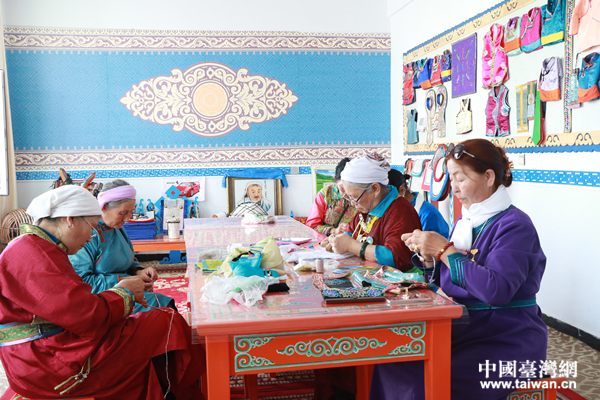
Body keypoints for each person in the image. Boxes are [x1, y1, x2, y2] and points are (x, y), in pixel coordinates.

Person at [370, 139, 547, 400]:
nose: (453, 187)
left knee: (425, 378)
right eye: (451, 178)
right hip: (469, 327)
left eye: (460, 178)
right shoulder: (467, 222)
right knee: (392, 362)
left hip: (508, 338)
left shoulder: (515, 226)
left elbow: (496, 290)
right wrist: (428, 257)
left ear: (488, 177)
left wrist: (444, 250)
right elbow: (448, 281)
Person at [0, 185, 202, 399]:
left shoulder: (39, 247)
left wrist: (133, 277)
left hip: (51, 345)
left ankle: (172, 387)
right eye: (92, 227)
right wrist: (123, 292)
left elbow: (73, 304)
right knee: (164, 322)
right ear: (70, 219)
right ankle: (188, 388)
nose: (90, 237)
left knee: (159, 320)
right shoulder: (34, 254)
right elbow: (85, 315)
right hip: (46, 360)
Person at [69, 179, 174, 313]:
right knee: (162, 309)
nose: (127, 219)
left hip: (125, 291)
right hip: (103, 298)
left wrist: (138, 271)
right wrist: (128, 281)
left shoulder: (117, 228)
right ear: (103, 207)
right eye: (123, 213)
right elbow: (83, 282)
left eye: (131, 212)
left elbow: (129, 259)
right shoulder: (88, 234)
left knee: (165, 308)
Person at [321, 153, 422, 272]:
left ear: (375, 189)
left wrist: (351, 246)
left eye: (355, 198)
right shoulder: (368, 207)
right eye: (349, 198)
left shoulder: (400, 210)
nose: (352, 204)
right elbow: (350, 231)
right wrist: (337, 241)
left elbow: (396, 257)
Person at [389, 168, 450, 238]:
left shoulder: (428, 214)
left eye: (387, 198)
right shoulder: (394, 212)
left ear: (402, 191)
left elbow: (441, 243)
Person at [306, 158, 358, 236]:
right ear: (335, 179)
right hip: (327, 240)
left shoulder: (361, 194)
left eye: (351, 188)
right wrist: (334, 231)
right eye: (342, 188)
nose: (347, 194)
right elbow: (312, 225)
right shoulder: (325, 194)